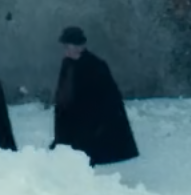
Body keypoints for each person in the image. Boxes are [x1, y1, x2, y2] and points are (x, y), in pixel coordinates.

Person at [51, 26, 138, 167]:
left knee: (84, 158)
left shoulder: (96, 66)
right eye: (65, 47)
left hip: (91, 125)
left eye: (69, 46)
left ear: (80, 47)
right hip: (72, 123)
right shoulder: (67, 64)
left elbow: (109, 99)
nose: (66, 51)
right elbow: (63, 92)